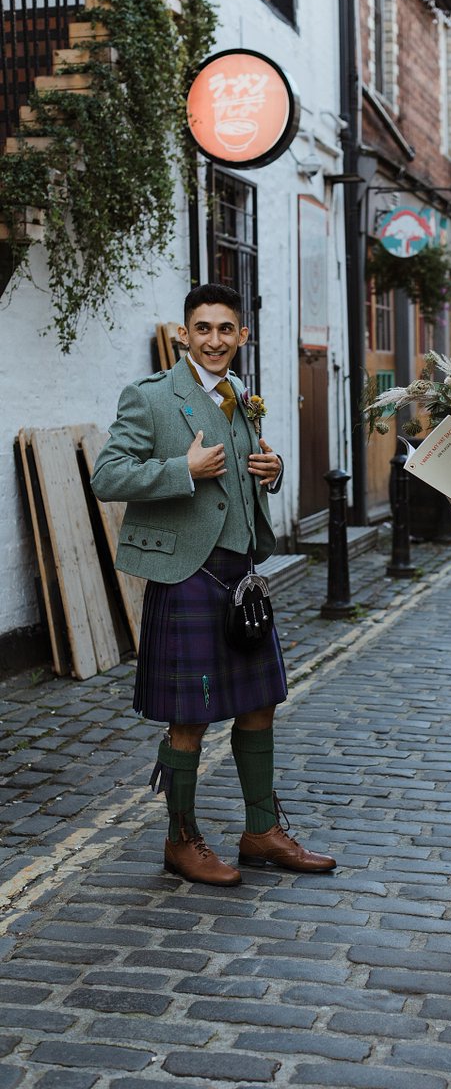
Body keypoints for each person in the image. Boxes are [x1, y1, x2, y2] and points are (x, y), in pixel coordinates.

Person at [91, 283, 335, 886]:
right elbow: (107, 475)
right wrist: (183, 470)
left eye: (226, 329)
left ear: (241, 336)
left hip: (241, 575)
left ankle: (261, 831)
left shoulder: (240, 398)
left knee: (260, 703)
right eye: (203, 328)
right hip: (188, 575)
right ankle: (182, 840)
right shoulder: (150, 399)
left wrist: (271, 473)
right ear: (184, 335)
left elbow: (242, 480)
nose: (215, 340)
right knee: (189, 716)